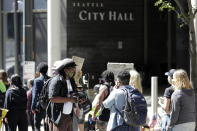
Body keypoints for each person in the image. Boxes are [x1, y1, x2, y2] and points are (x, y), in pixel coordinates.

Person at [48, 58, 80, 131]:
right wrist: (69, 99)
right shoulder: (56, 81)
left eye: (75, 68)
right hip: (59, 118)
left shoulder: (71, 80)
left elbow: (74, 94)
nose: (74, 70)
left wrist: (77, 103)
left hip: (69, 115)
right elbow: (52, 98)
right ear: (65, 70)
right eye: (73, 68)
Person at [31, 62, 50, 131]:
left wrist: (33, 107)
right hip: (48, 106)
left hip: (39, 107)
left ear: (39, 70)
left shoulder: (37, 81)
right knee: (47, 126)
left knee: (37, 126)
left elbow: (35, 95)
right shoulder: (50, 79)